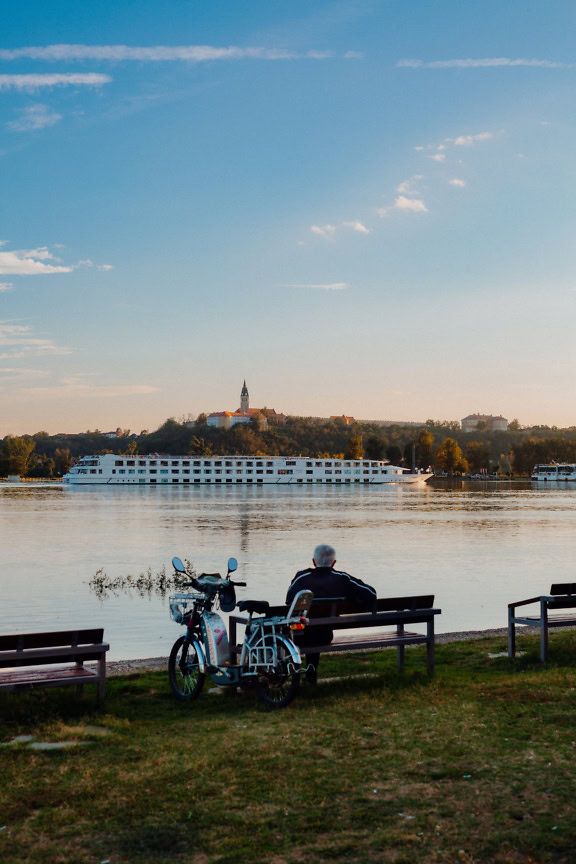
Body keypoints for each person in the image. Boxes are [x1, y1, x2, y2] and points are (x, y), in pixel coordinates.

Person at [286, 543, 376, 683]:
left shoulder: (302, 578)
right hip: (325, 635)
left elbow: (288, 601)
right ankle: (311, 668)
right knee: (317, 629)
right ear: (333, 563)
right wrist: (351, 597)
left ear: (314, 562)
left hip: (299, 636)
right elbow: (370, 594)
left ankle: (306, 670)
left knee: (308, 626)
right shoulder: (342, 578)